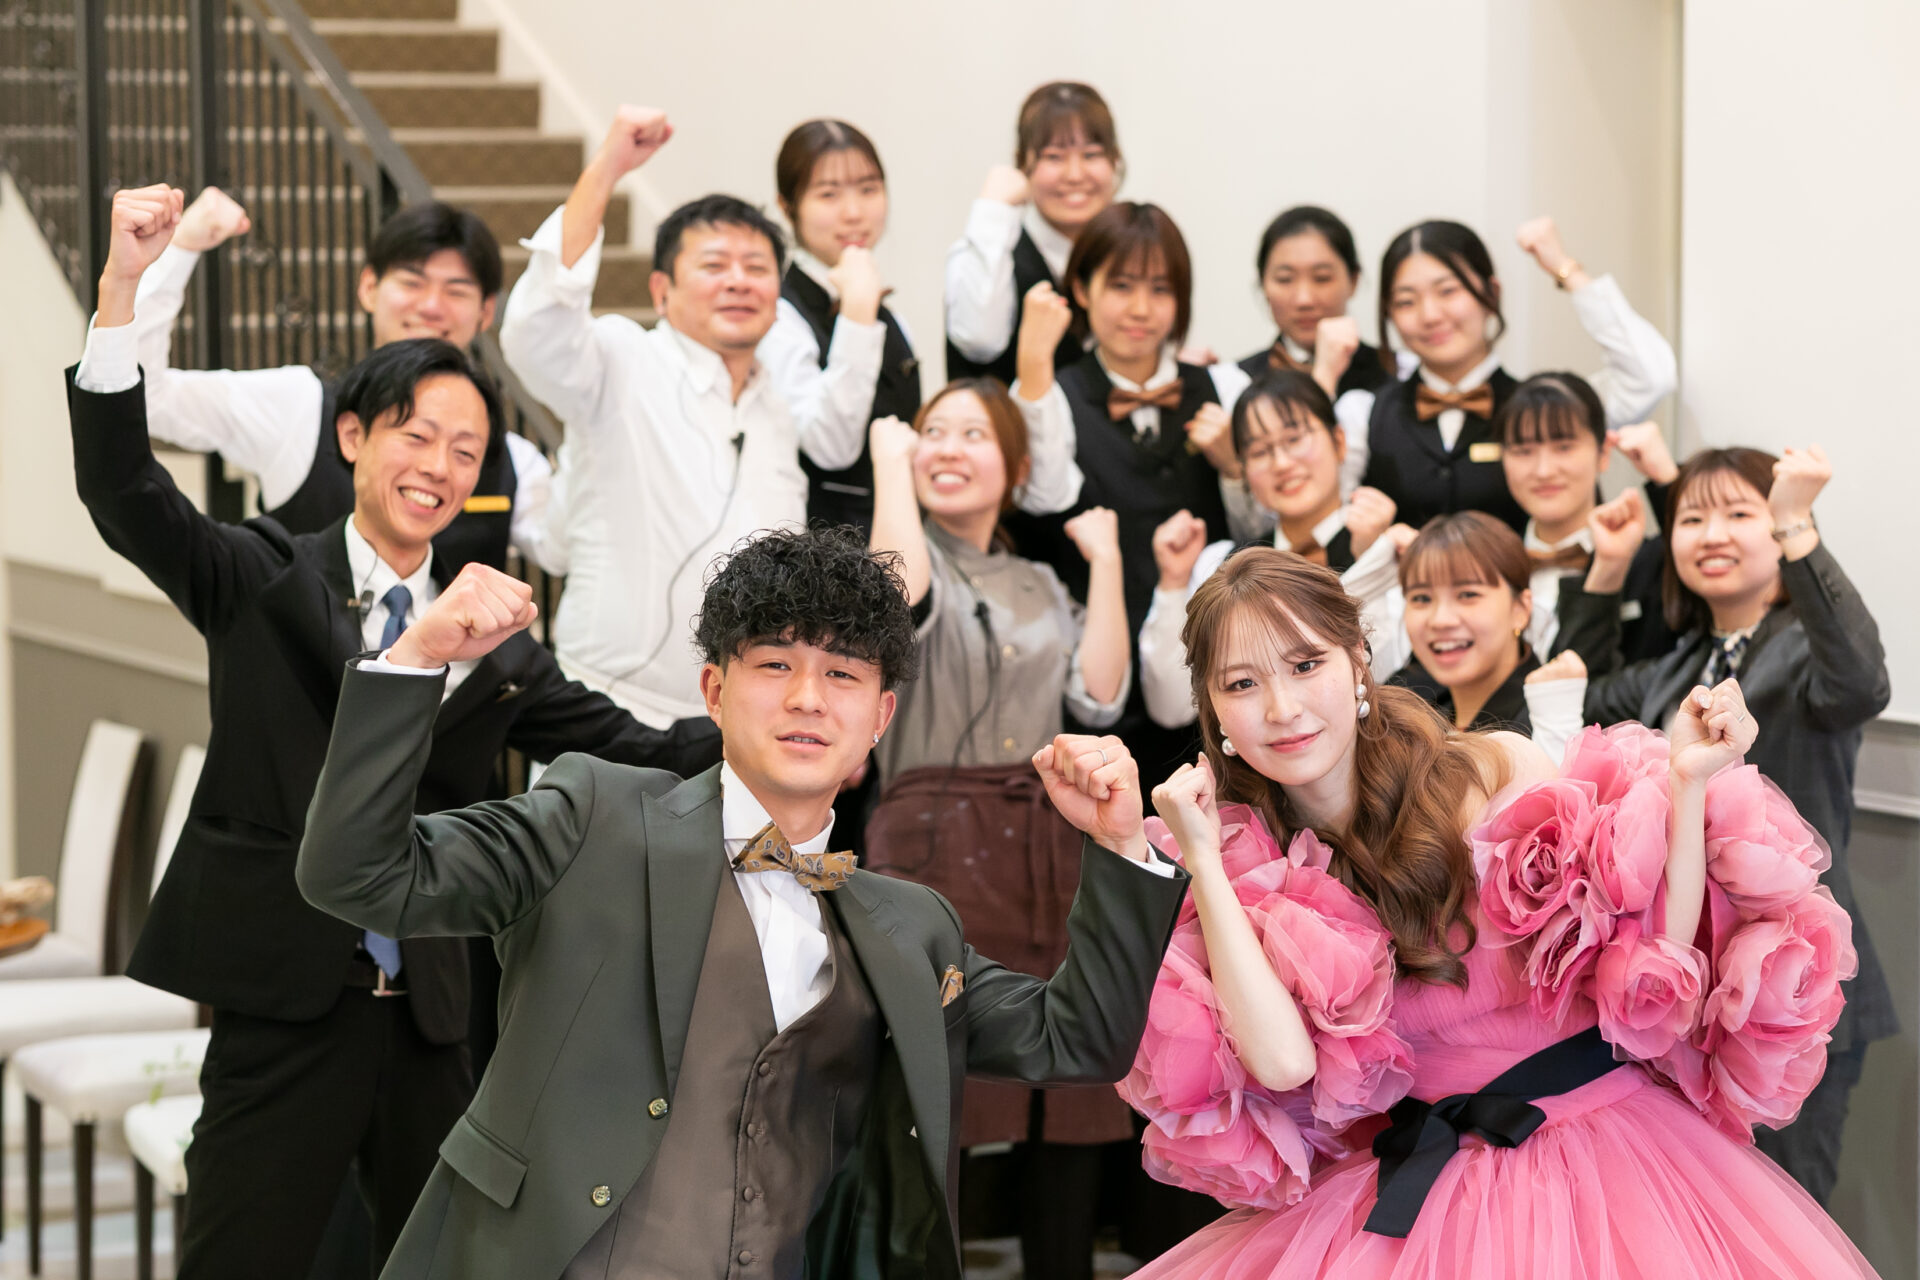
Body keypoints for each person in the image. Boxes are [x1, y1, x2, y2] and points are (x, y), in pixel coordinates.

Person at [71, 186, 722, 1280]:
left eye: (466, 450)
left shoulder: (495, 641)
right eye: (415, 435)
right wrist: (123, 288)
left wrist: (779, 717)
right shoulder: (263, 576)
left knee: (448, 1265)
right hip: (282, 994)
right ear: (353, 437)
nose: (438, 465)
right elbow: (122, 485)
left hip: (432, 1008)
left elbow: (643, 746)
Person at [294, 524, 1191, 1279]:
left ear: (879, 720)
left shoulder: (911, 926)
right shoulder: (591, 816)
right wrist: (416, 661)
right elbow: (358, 874)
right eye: (774, 664)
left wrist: (1119, 845)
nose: (807, 698)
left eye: (843, 675)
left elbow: (1079, 1039)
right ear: (715, 692)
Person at [1108, 546, 1877, 1277]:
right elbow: (1283, 1065)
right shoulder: (1249, 861)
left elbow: (1649, 980)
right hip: (1420, 1189)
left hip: (1605, 1162)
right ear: (1213, 710)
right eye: (1242, 684)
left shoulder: (1489, 771)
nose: (1282, 708)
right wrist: (1203, 861)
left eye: (1306, 665)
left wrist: (1688, 783)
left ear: (1358, 661)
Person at [1529, 443, 1894, 1205]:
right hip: (1676, 986)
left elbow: (1862, 681)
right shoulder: (1680, 663)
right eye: (1693, 518)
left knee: (1780, 1212)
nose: (1712, 534)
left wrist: (1797, 524)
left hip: (1789, 988)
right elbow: (1578, 694)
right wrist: (1607, 572)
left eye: (1740, 513)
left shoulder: (1806, 654)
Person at [862, 387, 1131, 1280]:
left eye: (972, 434)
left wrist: (1106, 562)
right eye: (931, 433)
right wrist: (887, 464)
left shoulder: (1040, 581)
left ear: (1015, 468)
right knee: (930, 1070)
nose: (946, 448)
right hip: (929, 834)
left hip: (1044, 840)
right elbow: (894, 599)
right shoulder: (902, 553)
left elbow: (1101, 698)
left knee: (1063, 1070)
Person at [499, 105, 808, 729]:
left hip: (739, 719)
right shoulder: (622, 358)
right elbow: (538, 329)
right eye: (714, 266)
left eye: (756, 268)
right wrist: (607, 168)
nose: (738, 282)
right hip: (609, 704)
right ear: (661, 291)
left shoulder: (779, 410)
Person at [119, 186, 557, 574]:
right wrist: (182, 248)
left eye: (456, 291)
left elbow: (562, 550)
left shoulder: (512, 458)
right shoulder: (298, 408)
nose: (431, 306)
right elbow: (145, 399)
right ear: (369, 287)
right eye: (412, 282)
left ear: (485, 312)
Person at [1015, 201, 1265, 786]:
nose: (1140, 309)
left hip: (1215, 668)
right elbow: (1043, 495)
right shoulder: (1050, 394)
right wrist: (1033, 363)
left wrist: (1232, 466)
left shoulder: (1225, 387)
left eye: (1160, 289)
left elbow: (1261, 531)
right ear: (1082, 288)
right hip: (1099, 672)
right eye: (1121, 286)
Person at [756, 118, 1079, 531]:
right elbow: (830, 446)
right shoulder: (780, 315)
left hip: (899, 535)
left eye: (868, 190)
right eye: (828, 194)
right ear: (788, 206)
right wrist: (857, 315)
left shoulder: (890, 315)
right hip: (824, 545)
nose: (853, 212)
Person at [1345, 216, 1676, 531]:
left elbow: (1650, 376)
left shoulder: (1550, 410)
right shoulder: (1362, 413)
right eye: (1406, 302)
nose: (1430, 315)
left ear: (1492, 294)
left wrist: (1564, 268)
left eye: (1448, 291)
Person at [1139, 370, 1403, 726]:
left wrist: (1371, 562)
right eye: (1260, 451)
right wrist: (1172, 583)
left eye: (1294, 439)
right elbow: (1170, 708)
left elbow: (1385, 679)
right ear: (1244, 470)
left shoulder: (1389, 546)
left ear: (1339, 442)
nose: (1282, 463)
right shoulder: (1220, 564)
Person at [945, 81, 1121, 384]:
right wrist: (992, 208)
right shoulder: (991, 253)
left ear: (1114, 161)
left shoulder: (1127, 251)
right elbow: (977, 340)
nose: (1075, 175)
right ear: (1022, 164)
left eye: (1091, 154)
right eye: (1054, 157)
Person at [1497, 373, 1679, 664]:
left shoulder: (1647, 563)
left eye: (1564, 447)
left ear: (1603, 452)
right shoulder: (1488, 565)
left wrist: (1669, 481)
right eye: (1523, 451)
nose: (1544, 470)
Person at [1233, 206, 1401, 400]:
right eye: (1285, 279)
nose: (1304, 300)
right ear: (1263, 285)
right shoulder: (1234, 381)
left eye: (1322, 278)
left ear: (1353, 280)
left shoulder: (1400, 371)